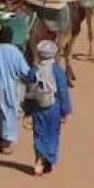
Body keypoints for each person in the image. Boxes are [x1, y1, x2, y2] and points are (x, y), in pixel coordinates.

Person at [0, 23, 36, 155]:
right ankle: (6, 143)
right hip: (9, 89)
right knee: (9, 114)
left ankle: (0, 138)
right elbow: (24, 71)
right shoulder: (15, 52)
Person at [26, 39, 72, 176]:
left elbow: (29, 92)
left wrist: (27, 112)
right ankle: (48, 159)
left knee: (39, 134)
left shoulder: (33, 71)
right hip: (54, 107)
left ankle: (39, 160)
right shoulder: (57, 71)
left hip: (37, 108)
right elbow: (63, 91)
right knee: (52, 134)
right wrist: (66, 111)